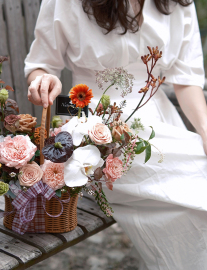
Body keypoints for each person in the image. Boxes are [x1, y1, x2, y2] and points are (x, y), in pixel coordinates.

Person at [24, 0, 207, 269]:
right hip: (95, 129)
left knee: (192, 198)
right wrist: (44, 81)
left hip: (160, 123)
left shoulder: (178, 3)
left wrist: (204, 130)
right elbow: (40, 65)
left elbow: (187, 78)